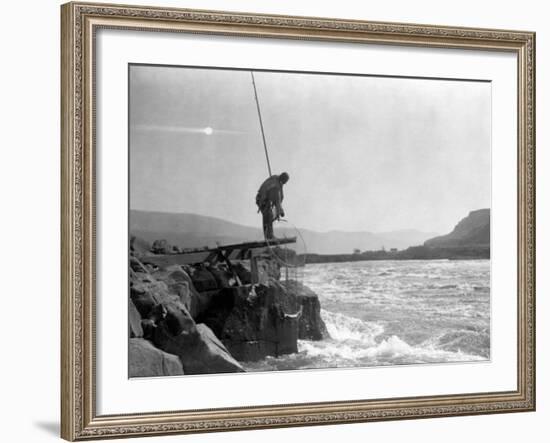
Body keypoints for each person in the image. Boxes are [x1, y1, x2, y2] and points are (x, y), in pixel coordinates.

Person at [255, 172, 289, 240]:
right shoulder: (275, 186)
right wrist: (280, 211)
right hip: (262, 200)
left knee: (269, 216)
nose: (284, 184)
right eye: (285, 182)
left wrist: (280, 211)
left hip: (264, 200)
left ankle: (269, 235)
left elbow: (278, 200)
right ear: (283, 180)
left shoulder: (276, 181)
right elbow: (277, 201)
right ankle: (269, 236)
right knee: (268, 215)